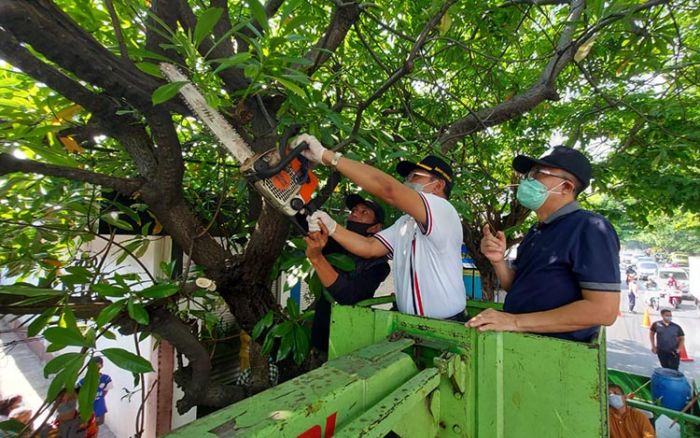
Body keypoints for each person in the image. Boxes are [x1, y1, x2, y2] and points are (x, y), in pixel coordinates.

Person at [293, 134, 466, 321]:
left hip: (446, 326)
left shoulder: (443, 210)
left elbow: (389, 190)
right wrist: (331, 226)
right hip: (410, 325)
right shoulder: (405, 223)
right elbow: (369, 247)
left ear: (438, 185)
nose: (407, 182)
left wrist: (327, 156)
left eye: (415, 176)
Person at [468, 146, 620, 341]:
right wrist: (497, 261)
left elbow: (603, 311)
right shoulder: (536, 231)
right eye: (529, 174)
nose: (528, 180)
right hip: (522, 346)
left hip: (557, 355)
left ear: (567, 187)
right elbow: (516, 286)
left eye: (538, 173)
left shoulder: (589, 227)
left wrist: (514, 322)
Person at [306, 194, 390, 353]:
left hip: (349, 338)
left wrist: (316, 258)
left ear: (376, 228)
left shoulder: (379, 265)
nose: (355, 214)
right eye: (354, 210)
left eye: (364, 212)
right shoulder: (332, 243)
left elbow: (349, 296)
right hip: (321, 335)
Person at [78, 356, 113, 425]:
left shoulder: (106, 379)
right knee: (85, 427)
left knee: (96, 425)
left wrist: (98, 396)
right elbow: (77, 394)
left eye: (97, 365)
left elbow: (106, 390)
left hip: (99, 408)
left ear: (101, 366)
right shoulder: (83, 382)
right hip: (86, 410)